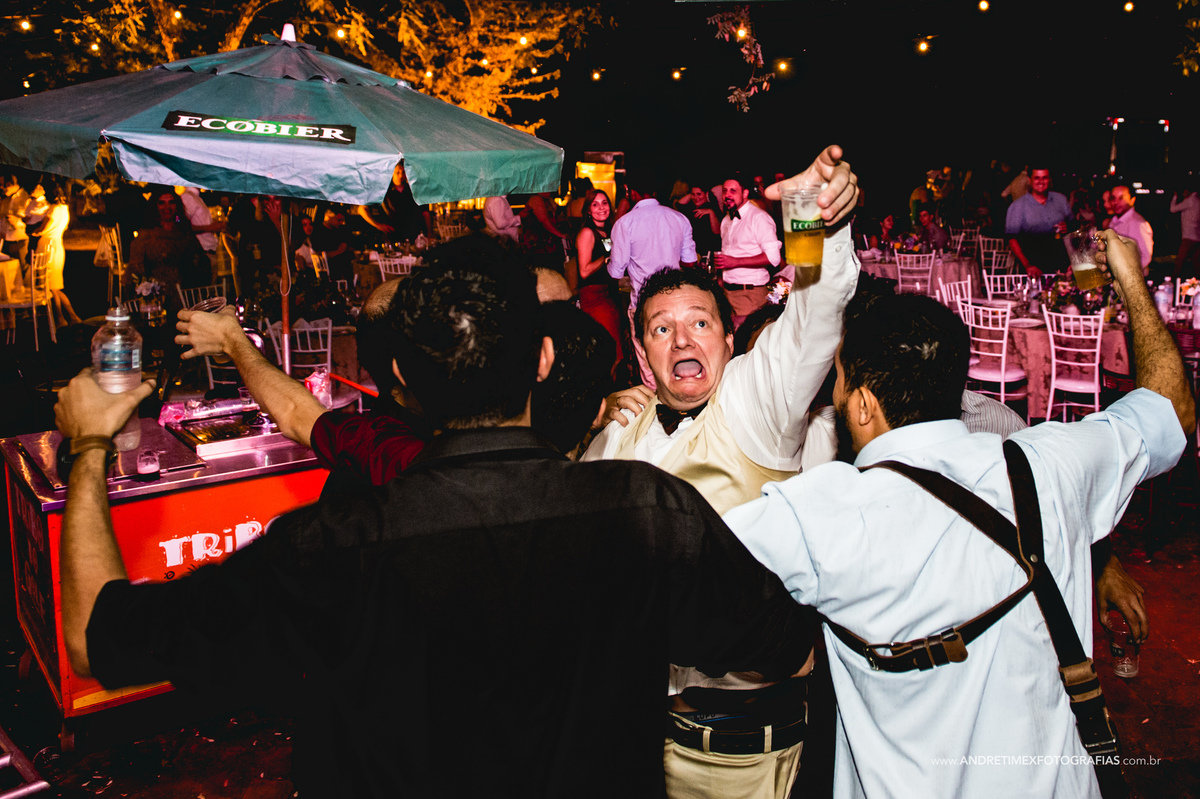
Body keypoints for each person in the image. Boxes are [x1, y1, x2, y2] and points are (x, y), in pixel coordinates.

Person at [57, 241, 812, 798]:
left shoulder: (333, 546)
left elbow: (96, 638)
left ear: (399, 382)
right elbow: (786, 649)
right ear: (543, 359)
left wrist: (90, 445)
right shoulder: (648, 510)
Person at [723, 231, 1193, 799]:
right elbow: (1173, 407)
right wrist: (1132, 279)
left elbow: (672, 571)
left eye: (841, 382)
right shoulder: (1052, 462)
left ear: (865, 404)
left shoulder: (820, 514)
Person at [584, 145, 858, 799]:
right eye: (661, 329)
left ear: (729, 340)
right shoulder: (621, 431)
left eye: (700, 322)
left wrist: (809, 214)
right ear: (642, 350)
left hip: (747, 759)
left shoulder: (751, 404)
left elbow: (816, 318)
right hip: (642, 744)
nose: (682, 340)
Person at [608, 176, 698, 388]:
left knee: (648, 360)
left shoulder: (625, 223)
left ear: (631, 192)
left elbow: (615, 271)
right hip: (675, 302)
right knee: (675, 352)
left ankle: (657, 409)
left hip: (644, 304)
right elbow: (690, 262)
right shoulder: (678, 218)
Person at [715, 174, 783, 327]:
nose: (727, 195)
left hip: (750, 294)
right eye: (725, 191)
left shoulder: (758, 218)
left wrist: (735, 262)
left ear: (745, 193)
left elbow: (774, 258)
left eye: (733, 191)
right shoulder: (726, 220)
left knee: (749, 345)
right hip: (728, 293)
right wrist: (721, 279)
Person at [568, 189, 623, 373]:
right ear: (588, 211)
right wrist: (605, 259)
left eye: (604, 203)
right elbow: (584, 271)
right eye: (595, 204)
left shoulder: (609, 231)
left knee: (615, 348)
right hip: (594, 296)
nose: (601, 208)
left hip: (609, 293)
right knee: (609, 351)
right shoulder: (587, 233)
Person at [128, 190, 209, 298]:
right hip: (155, 296)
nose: (167, 207)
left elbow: (200, 263)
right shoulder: (146, 235)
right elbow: (135, 269)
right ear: (155, 206)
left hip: (185, 295)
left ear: (177, 206)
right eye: (162, 203)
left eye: (171, 202)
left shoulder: (184, 233)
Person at [26, 176, 82, 327]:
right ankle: (71, 316)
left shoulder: (53, 209)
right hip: (58, 244)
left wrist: (33, 232)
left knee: (50, 286)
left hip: (47, 245)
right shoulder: (64, 208)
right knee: (55, 285)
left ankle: (61, 318)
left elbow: (44, 227)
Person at [1004, 167, 1072, 279]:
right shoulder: (1017, 206)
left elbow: (1074, 230)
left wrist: (1067, 227)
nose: (1041, 181)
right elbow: (1012, 240)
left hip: (1060, 266)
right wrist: (1027, 265)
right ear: (1029, 180)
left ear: (1049, 180)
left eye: (1044, 178)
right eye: (1037, 178)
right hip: (1033, 268)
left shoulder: (1061, 200)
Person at [357, 162, 431, 242]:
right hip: (391, 238)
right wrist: (377, 225)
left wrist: (429, 233)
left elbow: (425, 213)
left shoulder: (414, 190)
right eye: (397, 172)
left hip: (413, 237)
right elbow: (362, 209)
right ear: (391, 173)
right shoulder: (383, 190)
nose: (401, 175)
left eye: (403, 172)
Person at [178, 186, 224, 281]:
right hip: (201, 254)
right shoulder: (188, 197)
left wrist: (212, 224)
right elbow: (182, 226)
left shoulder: (195, 197)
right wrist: (209, 228)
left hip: (206, 252)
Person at [1108, 185, 1154, 274]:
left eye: (1121, 198)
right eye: (1113, 198)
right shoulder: (1114, 222)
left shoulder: (1137, 223)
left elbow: (1145, 257)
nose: (1116, 202)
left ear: (1132, 200)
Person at [674, 183, 722, 256]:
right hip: (695, 252)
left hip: (708, 252)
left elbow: (717, 232)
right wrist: (693, 195)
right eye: (693, 194)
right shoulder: (692, 208)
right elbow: (679, 205)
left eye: (699, 194)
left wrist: (711, 213)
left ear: (706, 194)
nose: (696, 197)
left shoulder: (713, 207)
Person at [310, 209, 353, 283]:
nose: (341, 223)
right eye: (338, 219)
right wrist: (339, 251)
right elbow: (320, 255)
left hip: (341, 268)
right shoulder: (318, 232)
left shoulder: (338, 231)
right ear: (328, 217)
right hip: (329, 271)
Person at [1, 172, 31, 272]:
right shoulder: (5, 200)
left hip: (19, 241)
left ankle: (24, 287)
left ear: (9, 184)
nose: (1, 188)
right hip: (5, 242)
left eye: (2, 185)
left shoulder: (26, 198)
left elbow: (32, 220)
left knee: (21, 269)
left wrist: (17, 221)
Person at [1170, 184, 1200, 279]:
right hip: (1197, 236)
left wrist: (1175, 196)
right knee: (1196, 263)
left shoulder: (1190, 200)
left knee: (1180, 261)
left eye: (1183, 192)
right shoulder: (1197, 200)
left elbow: (1173, 209)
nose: (1182, 194)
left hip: (1189, 236)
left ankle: (1173, 281)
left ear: (1188, 191)